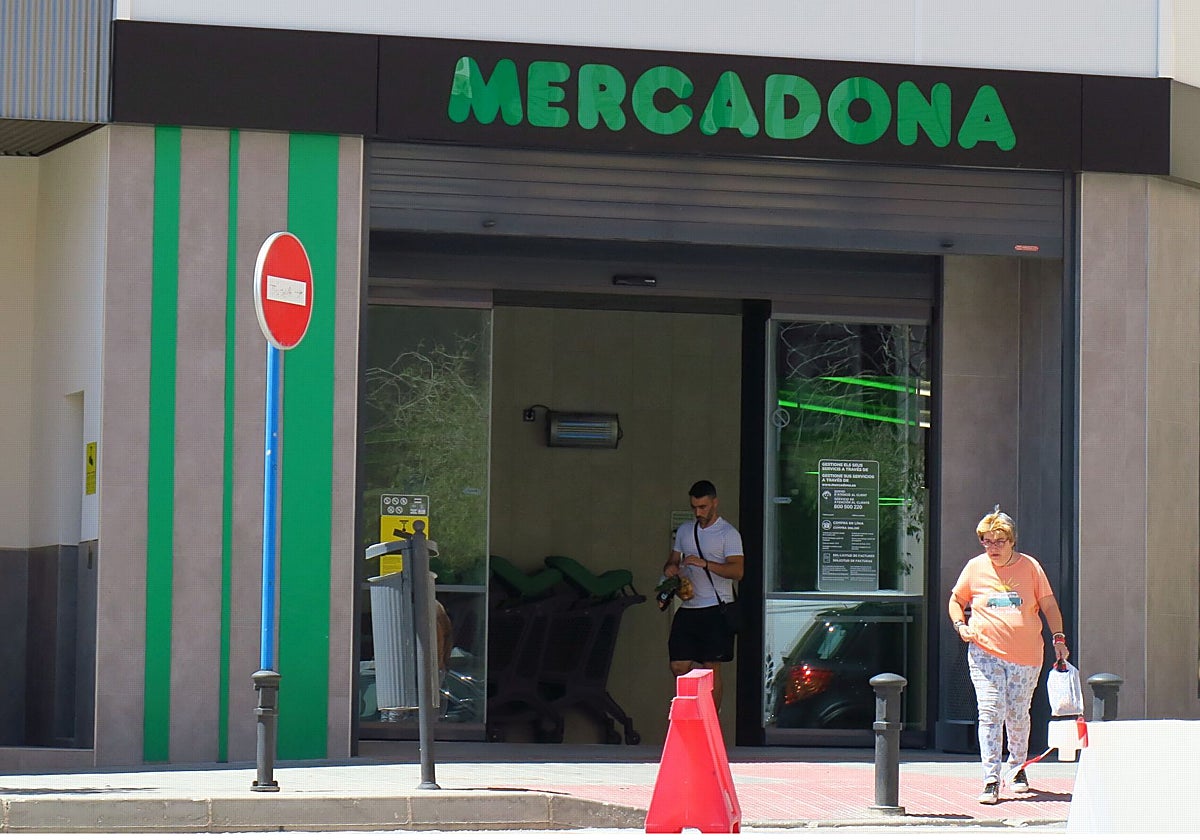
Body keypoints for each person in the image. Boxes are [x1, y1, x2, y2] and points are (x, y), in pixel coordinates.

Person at [948, 507, 1070, 805]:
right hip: (985, 653)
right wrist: (960, 625)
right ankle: (991, 777)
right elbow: (956, 599)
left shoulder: (1030, 567)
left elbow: (1049, 606)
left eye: (999, 542)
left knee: (1017, 714)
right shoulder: (975, 567)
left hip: (1026, 656)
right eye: (987, 542)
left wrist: (1058, 637)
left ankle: (1017, 768)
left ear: (1011, 540)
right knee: (990, 712)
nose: (993, 548)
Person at [662, 480, 745, 711]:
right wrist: (670, 568)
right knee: (678, 665)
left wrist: (705, 564)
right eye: (694, 507)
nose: (698, 512)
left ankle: (710, 721)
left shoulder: (728, 534)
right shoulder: (686, 531)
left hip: (716, 608)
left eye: (703, 507)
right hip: (689, 606)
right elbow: (673, 559)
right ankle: (692, 707)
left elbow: (737, 571)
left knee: (711, 667)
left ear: (714, 503)